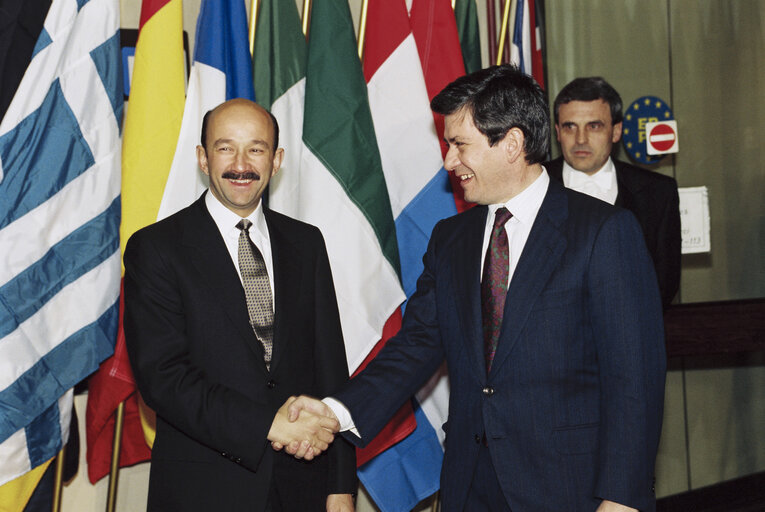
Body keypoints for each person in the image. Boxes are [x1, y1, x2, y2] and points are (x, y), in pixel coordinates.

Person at [283, 65, 666, 512]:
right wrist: (337, 412)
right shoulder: (451, 239)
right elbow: (416, 346)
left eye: (459, 145)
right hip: (470, 486)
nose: (448, 161)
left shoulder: (603, 232)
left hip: (569, 488)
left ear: (513, 144)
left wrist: (622, 498)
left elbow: (634, 380)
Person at [124, 98, 356, 512]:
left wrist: (341, 485)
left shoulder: (306, 243)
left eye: (256, 148)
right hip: (203, 488)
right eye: (225, 147)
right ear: (202, 157)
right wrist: (268, 424)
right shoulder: (157, 248)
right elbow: (163, 378)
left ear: (277, 159)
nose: (241, 164)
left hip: (301, 486)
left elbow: (331, 369)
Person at [544, 77, 681, 307]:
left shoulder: (658, 193)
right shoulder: (530, 186)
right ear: (557, 132)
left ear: (616, 131)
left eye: (593, 126)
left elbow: (664, 285)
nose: (581, 139)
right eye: (570, 127)